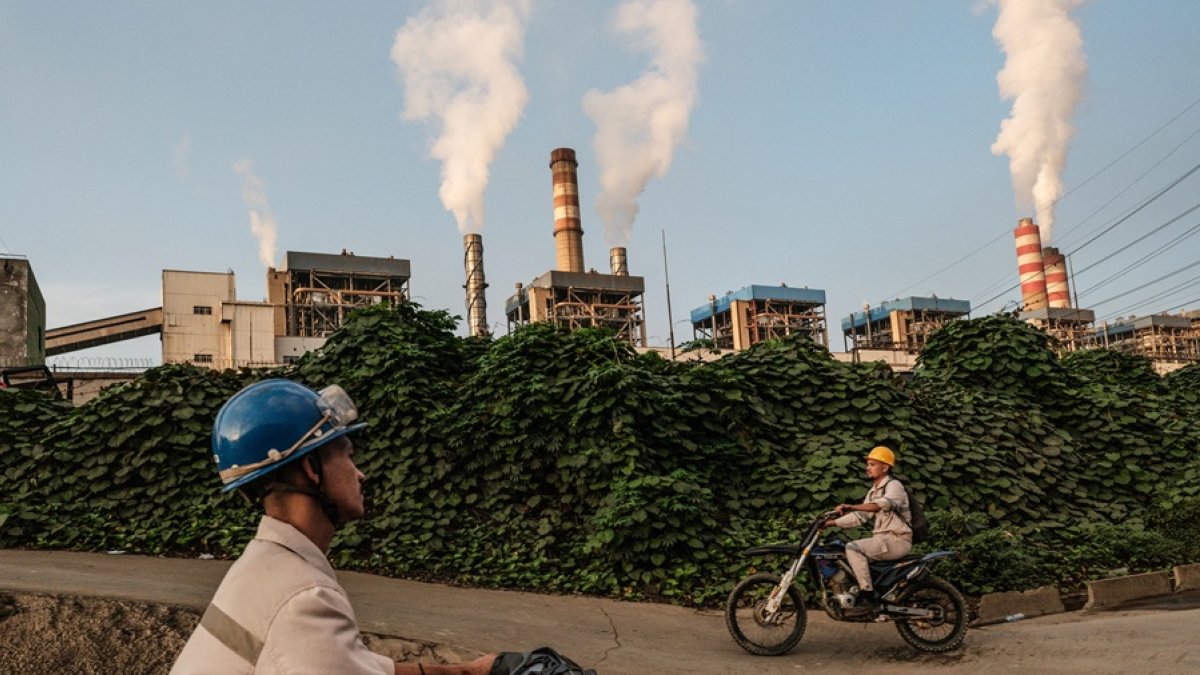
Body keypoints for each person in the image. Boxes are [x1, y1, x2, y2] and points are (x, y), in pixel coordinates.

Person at [172, 379, 495, 675]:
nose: (359, 474)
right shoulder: (304, 598)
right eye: (347, 456)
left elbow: (350, 664)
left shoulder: (261, 566)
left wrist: (467, 672)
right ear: (311, 468)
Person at [822, 445, 912, 608]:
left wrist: (852, 506)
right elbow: (860, 516)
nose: (867, 468)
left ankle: (867, 594)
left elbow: (880, 505)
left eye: (872, 464)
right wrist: (832, 523)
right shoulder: (873, 491)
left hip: (897, 540)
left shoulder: (894, 485)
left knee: (853, 548)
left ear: (885, 467)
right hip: (882, 541)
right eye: (868, 464)